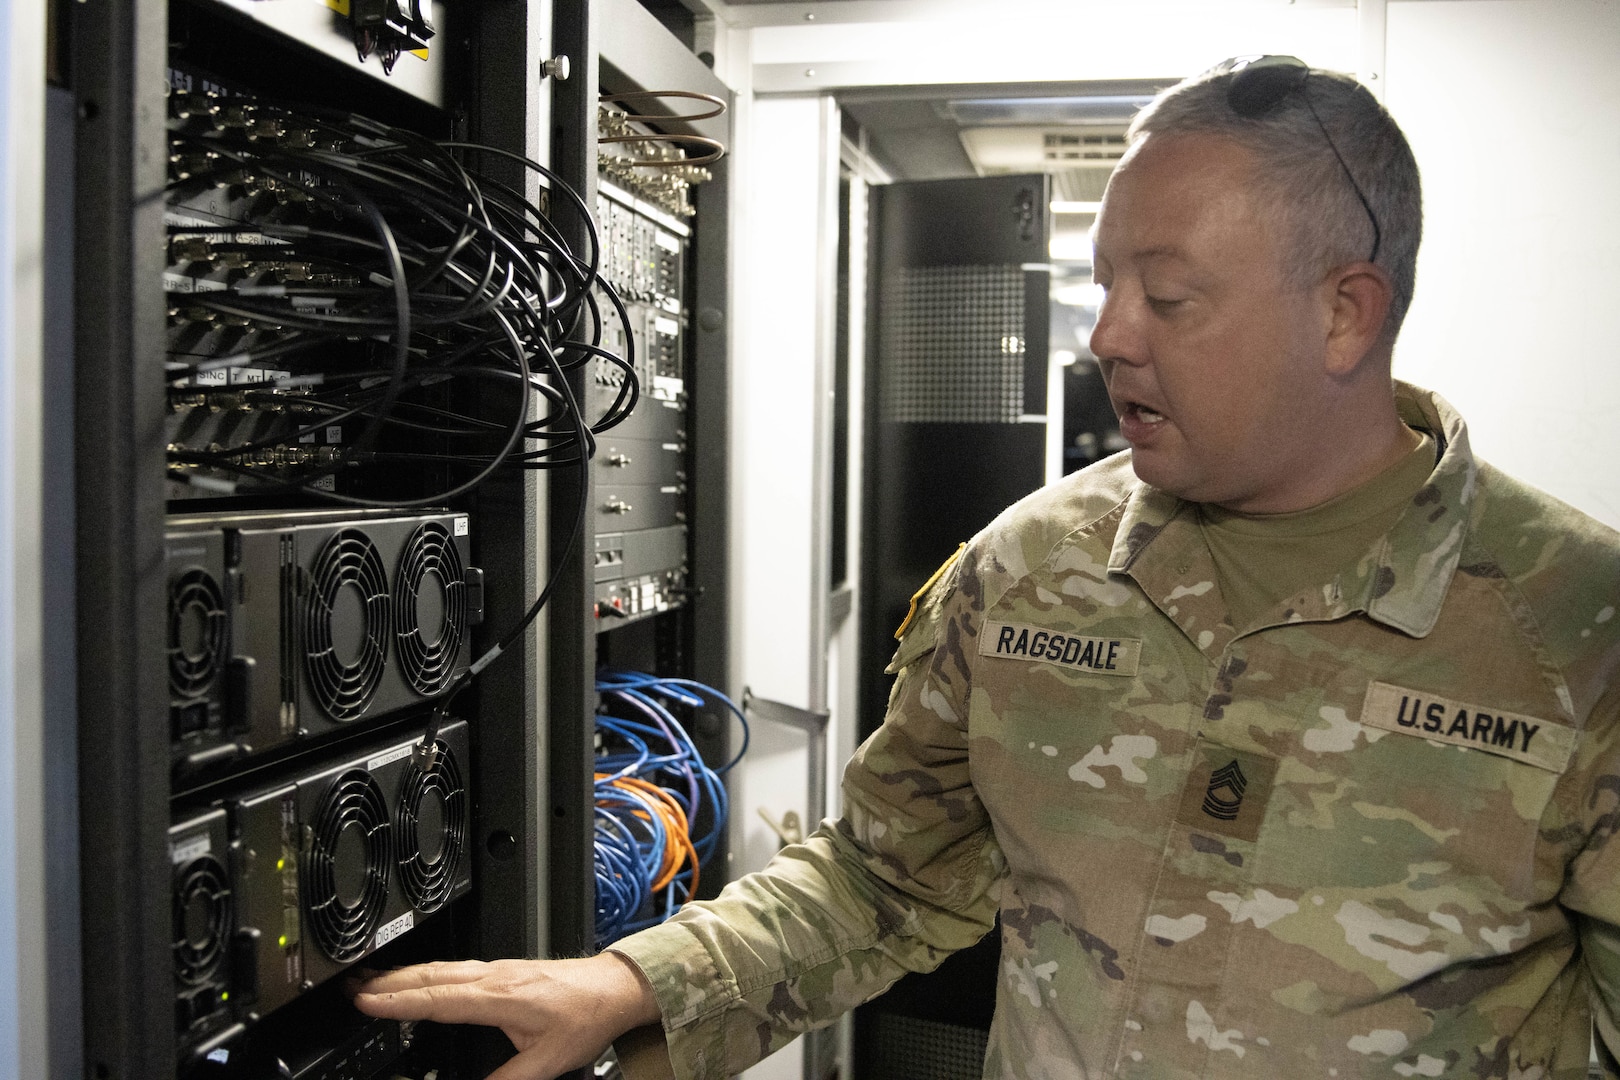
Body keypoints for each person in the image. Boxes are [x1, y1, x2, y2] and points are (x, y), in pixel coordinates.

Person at [355, 56, 1620, 1080]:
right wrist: (634, 979)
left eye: (1167, 298)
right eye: (1108, 282)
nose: (1110, 335)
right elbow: (883, 873)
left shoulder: (1582, 627)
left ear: (1345, 310)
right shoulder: (1033, 569)